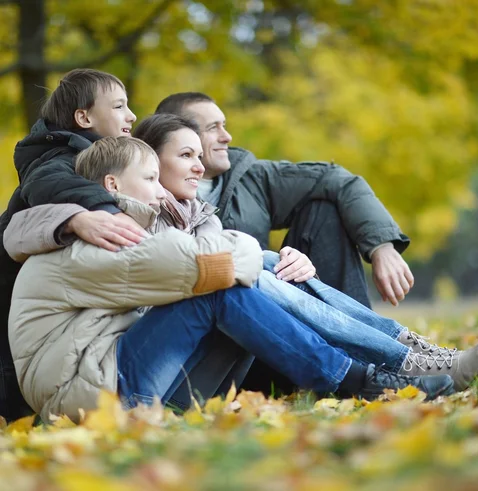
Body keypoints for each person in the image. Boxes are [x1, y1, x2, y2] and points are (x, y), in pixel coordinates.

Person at [5, 136, 455, 423]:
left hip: (119, 385)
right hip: (97, 398)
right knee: (220, 290)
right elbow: (210, 263)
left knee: (231, 286)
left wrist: (257, 258)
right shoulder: (101, 243)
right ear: (114, 186)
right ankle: (368, 377)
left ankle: (375, 372)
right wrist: (260, 254)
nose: (163, 190)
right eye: (151, 178)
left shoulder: (126, 234)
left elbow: (204, 260)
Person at [154, 92, 413, 309]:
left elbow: (337, 179)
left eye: (224, 124)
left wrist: (381, 247)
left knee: (324, 209)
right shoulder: (149, 188)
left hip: (272, 307)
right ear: (178, 133)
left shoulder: (251, 176)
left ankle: (368, 350)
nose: (227, 136)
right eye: (213, 128)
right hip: (216, 319)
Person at [0, 68, 149, 421]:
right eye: (118, 106)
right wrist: (103, 211)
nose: (131, 115)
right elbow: (47, 185)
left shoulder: (90, 156)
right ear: (83, 117)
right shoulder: (57, 159)